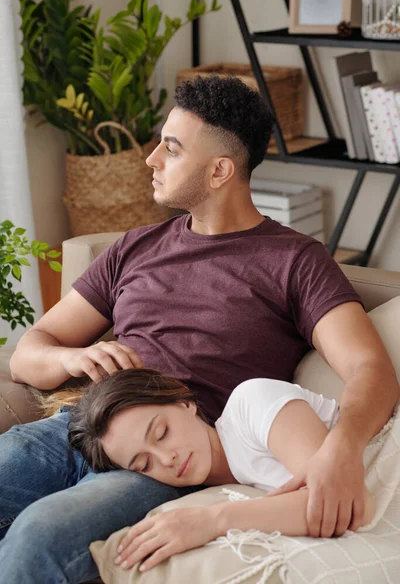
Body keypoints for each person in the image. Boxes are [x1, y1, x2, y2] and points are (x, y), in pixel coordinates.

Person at [1, 74, 398, 583]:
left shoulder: (295, 260)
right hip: (78, 425)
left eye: (170, 148)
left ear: (219, 171)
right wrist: (70, 359)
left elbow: (372, 369)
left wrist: (340, 451)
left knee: (39, 536)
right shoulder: (134, 247)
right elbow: (27, 353)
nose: (151, 159)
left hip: (168, 456)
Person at [66, 367, 375, 572]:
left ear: (183, 402)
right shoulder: (218, 487)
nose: (167, 458)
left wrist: (212, 521)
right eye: (145, 464)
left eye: (162, 433)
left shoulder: (251, 403)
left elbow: (338, 498)